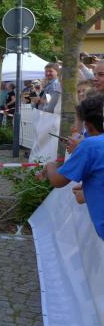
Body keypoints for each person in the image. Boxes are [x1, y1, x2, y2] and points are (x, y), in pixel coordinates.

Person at [44, 95, 104, 240]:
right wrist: (87, 191)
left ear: (87, 125)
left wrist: (50, 166)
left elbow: (58, 180)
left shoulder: (89, 146)